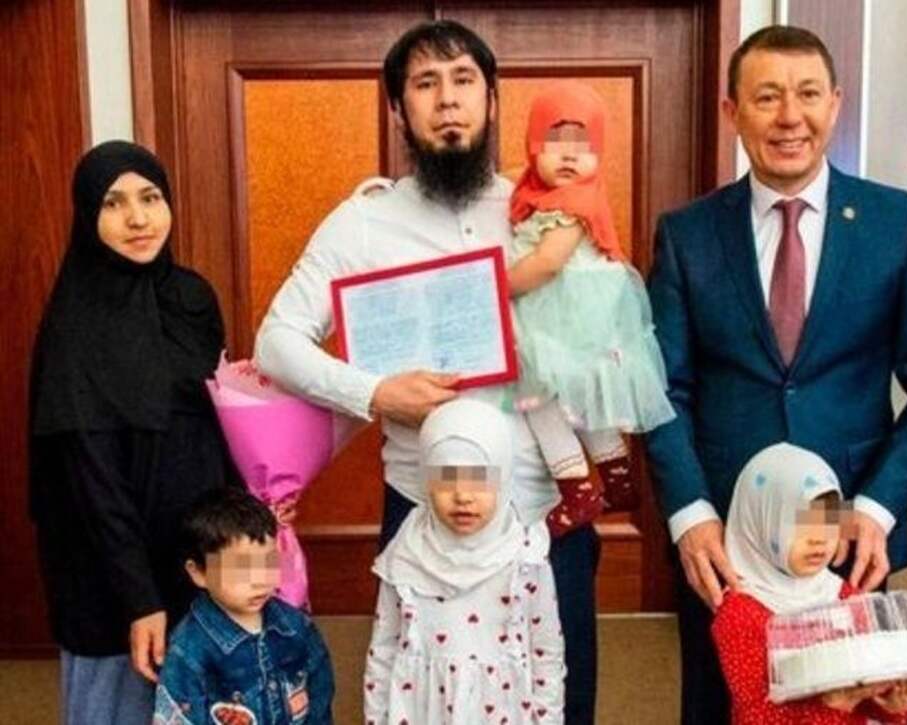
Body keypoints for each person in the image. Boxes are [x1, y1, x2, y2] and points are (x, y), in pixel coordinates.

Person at [255, 20, 600, 722]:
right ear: (398, 108)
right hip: (423, 506)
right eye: (425, 84)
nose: (447, 100)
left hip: (544, 508)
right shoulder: (364, 222)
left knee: (558, 697)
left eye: (464, 80)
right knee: (419, 700)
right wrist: (375, 392)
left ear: (492, 99)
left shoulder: (541, 213)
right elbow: (276, 341)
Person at [645, 25, 907, 724]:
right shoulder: (687, 235)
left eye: (808, 94)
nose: (790, 116)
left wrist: (879, 506)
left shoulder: (897, 224)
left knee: (849, 709)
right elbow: (661, 389)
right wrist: (690, 514)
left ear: (835, 103)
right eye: (767, 97)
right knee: (722, 706)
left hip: (848, 534)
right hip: (726, 543)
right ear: (733, 111)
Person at [28, 141, 236, 724]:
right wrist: (139, 598)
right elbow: (90, 481)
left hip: (197, 546)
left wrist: (252, 505)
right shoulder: (76, 322)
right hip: (111, 564)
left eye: (150, 197)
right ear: (87, 215)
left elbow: (218, 419)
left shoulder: (192, 298)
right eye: (113, 203)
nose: (138, 218)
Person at [506, 80, 675, 536]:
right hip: (577, 323)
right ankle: (616, 475)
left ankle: (577, 488)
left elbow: (546, 263)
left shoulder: (571, 204)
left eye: (581, 147)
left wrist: (496, 287)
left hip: (563, 317)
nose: (568, 157)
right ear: (532, 146)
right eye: (553, 144)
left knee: (536, 400)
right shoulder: (542, 194)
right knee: (582, 399)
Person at [363, 398, 564, 723]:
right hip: (422, 708)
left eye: (479, 480)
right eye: (446, 480)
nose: (463, 496)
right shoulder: (406, 554)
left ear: (502, 477)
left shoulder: (526, 557)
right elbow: (383, 649)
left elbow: (547, 655)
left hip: (503, 710)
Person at [711, 443, 907, 724]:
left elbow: (869, 695)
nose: (818, 540)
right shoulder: (739, 614)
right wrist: (836, 703)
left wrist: (893, 705)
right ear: (763, 523)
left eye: (828, 525)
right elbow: (756, 716)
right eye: (801, 527)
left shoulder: (844, 596)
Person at [153, 488, 334, 724]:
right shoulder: (190, 648)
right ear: (199, 573)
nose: (259, 580)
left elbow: (320, 693)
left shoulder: (296, 625)